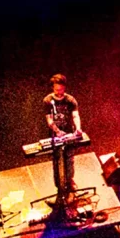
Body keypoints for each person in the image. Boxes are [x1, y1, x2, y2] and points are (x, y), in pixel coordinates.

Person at [43, 73, 83, 206]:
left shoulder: (71, 100)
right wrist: (57, 131)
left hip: (69, 134)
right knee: (57, 163)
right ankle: (60, 193)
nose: (59, 93)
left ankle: (71, 190)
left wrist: (78, 128)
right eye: (56, 90)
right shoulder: (48, 101)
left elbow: (75, 115)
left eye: (61, 90)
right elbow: (49, 120)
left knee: (69, 161)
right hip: (55, 136)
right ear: (52, 88)